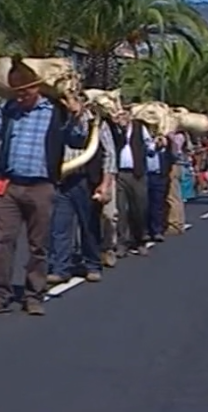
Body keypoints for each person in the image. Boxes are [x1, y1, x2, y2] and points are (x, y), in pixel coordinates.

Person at [0, 58, 87, 316]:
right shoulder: (7, 110)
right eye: (17, 92)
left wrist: (76, 115)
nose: (22, 96)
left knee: (39, 244)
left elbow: (77, 140)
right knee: (3, 241)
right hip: (10, 186)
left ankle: (34, 295)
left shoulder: (56, 111)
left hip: (42, 186)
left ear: (37, 88)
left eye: (26, 91)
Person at [48, 100, 116, 284]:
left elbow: (109, 153)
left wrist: (105, 183)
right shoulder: (59, 119)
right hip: (63, 180)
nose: (70, 102)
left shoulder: (97, 122)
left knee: (88, 225)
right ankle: (60, 268)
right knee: (59, 226)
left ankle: (92, 264)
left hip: (87, 180)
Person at [107, 109, 153, 258]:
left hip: (137, 174)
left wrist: (158, 144)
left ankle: (140, 240)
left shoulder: (140, 128)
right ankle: (122, 243)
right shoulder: (114, 129)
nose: (122, 117)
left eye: (125, 114)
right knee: (121, 210)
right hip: (120, 173)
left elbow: (150, 146)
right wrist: (118, 128)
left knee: (139, 208)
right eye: (119, 115)